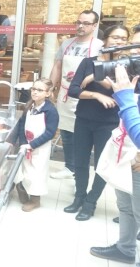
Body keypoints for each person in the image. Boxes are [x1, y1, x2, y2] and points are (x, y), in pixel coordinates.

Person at [64, 24, 129, 221]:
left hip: (108, 123)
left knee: (101, 165)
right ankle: (79, 197)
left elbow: (125, 94)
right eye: (115, 37)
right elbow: (73, 90)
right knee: (80, 162)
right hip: (83, 119)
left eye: (123, 38)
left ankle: (91, 202)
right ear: (105, 40)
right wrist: (95, 95)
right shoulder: (88, 62)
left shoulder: (128, 65)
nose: (119, 41)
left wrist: (96, 77)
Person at [90, 26, 140, 264]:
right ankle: (126, 248)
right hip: (129, 151)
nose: (133, 54)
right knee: (126, 205)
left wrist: (126, 99)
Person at [49, 10, 104, 179]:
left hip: (86, 96)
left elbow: (103, 71)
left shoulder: (99, 46)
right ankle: (69, 166)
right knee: (65, 132)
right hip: (66, 93)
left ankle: (82, 171)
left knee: (83, 135)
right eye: (78, 22)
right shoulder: (67, 44)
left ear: (94, 26)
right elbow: (58, 66)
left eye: (86, 23)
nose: (80, 26)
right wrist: (50, 87)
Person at [15, 78, 59, 212]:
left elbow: (50, 133)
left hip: (40, 147)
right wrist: (23, 142)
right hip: (26, 145)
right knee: (24, 170)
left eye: (39, 90)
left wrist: (33, 145)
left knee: (37, 173)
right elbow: (22, 124)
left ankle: (35, 200)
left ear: (48, 93)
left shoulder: (50, 111)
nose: (34, 92)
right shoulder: (29, 105)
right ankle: (22, 189)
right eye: (33, 89)